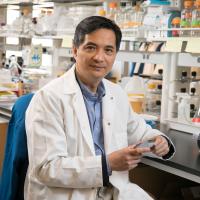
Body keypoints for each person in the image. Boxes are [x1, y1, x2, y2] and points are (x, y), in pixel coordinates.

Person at [25, 16, 175, 200]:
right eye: (90, 47)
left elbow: (140, 131)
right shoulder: (48, 98)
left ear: (115, 55)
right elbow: (46, 168)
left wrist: (158, 140)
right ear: (75, 50)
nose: (99, 57)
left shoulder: (116, 93)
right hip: (67, 194)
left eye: (108, 50)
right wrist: (107, 164)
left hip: (113, 191)